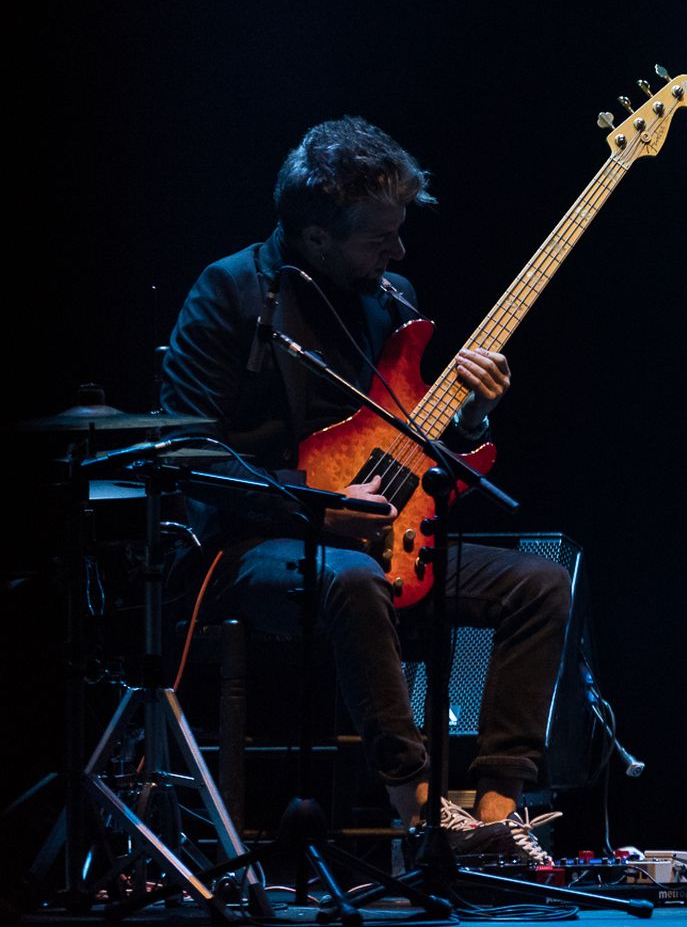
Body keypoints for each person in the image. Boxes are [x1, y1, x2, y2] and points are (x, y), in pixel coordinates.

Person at [162, 116, 569, 863]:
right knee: (352, 579)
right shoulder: (228, 291)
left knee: (540, 585)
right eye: (381, 238)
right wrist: (318, 509)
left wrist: (473, 415)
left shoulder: (392, 296)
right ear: (317, 237)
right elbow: (189, 455)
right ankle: (421, 810)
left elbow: (420, 444)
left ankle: (496, 814)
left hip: (380, 535)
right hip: (253, 544)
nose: (399, 252)